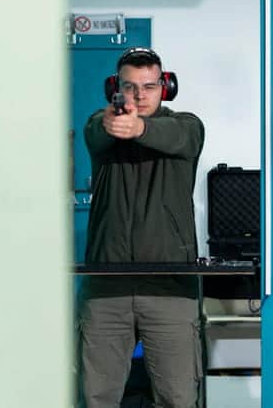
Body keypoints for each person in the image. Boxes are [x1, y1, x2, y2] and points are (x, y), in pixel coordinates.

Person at [79, 47, 205, 408]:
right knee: (95, 398)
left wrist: (138, 127)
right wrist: (116, 125)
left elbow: (178, 138)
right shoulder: (98, 127)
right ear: (114, 90)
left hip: (169, 285)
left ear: (166, 87)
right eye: (129, 87)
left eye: (149, 86)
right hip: (106, 286)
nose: (139, 95)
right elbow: (99, 133)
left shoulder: (187, 126)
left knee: (178, 398)